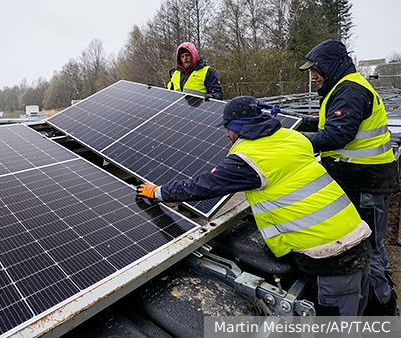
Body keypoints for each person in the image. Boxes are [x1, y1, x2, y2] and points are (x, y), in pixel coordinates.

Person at [137, 96, 373, 316]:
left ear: (238, 126)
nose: (227, 134)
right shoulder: (294, 138)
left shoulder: (248, 160)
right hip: (356, 235)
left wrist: (158, 192)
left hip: (328, 256)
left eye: (228, 127)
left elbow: (201, 186)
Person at [299, 39, 400, 316]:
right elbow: (330, 124)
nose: (313, 76)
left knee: (369, 245)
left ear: (330, 66)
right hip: (365, 181)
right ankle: (379, 301)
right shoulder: (343, 88)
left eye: (315, 69)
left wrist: (296, 142)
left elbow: (337, 134)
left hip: (367, 184)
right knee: (370, 244)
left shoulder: (349, 90)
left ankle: (383, 308)